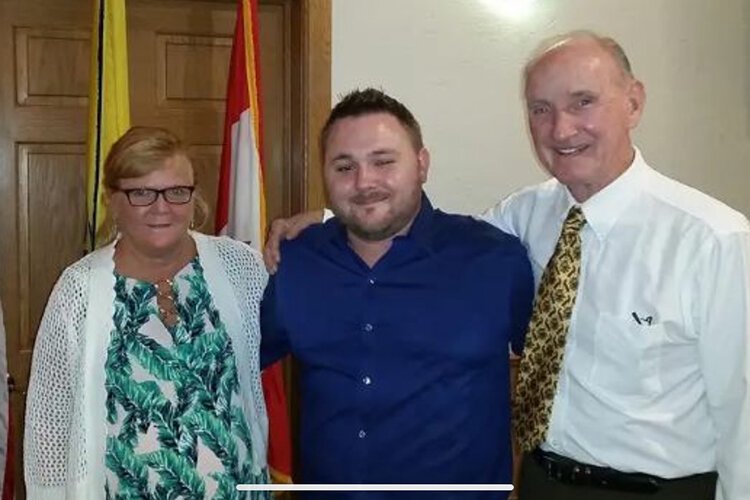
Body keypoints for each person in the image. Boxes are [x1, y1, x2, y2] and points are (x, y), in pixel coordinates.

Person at [264, 33, 750, 500]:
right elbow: (419, 233)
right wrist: (331, 220)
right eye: (541, 110)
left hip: (657, 490)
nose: (561, 128)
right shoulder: (526, 218)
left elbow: (743, 415)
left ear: (634, 102)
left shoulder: (713, 240)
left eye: (583, 101)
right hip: (542, 480)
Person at [260, 88, 534, 499]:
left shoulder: (496, 260)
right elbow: (232, 367)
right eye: (343, 166)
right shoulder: (293, 263)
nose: (364, 181)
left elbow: (549, 376)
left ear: (422, 164)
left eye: (383, 162)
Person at [24, 126, 271, 499]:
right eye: (141, 192)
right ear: (113, 200)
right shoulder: (78, 289)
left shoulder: (242, 268)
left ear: (193, 197)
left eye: (176, 192)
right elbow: (50, 425)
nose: (162, 207)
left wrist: (320, 218)